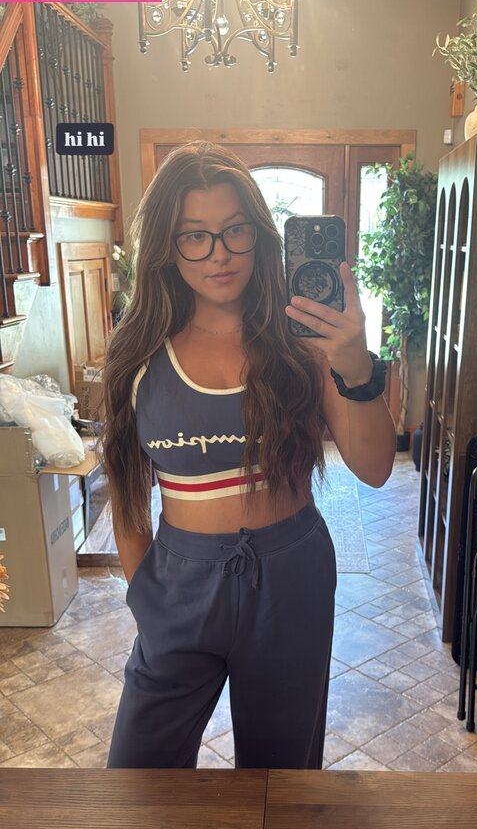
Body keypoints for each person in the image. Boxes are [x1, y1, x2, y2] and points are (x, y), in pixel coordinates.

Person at [102, 141, 396, 770]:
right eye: (195, 236)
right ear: (167, 247)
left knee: (280, 785)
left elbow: (374, 469)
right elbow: (127, 497)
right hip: (178, 585)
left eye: (235, 230)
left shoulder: (304, 344)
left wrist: (355, 366)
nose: (220, 253)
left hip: (291, 578)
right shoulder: (139, 356)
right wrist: (147, 600)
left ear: (259, 235)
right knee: (136, 782)